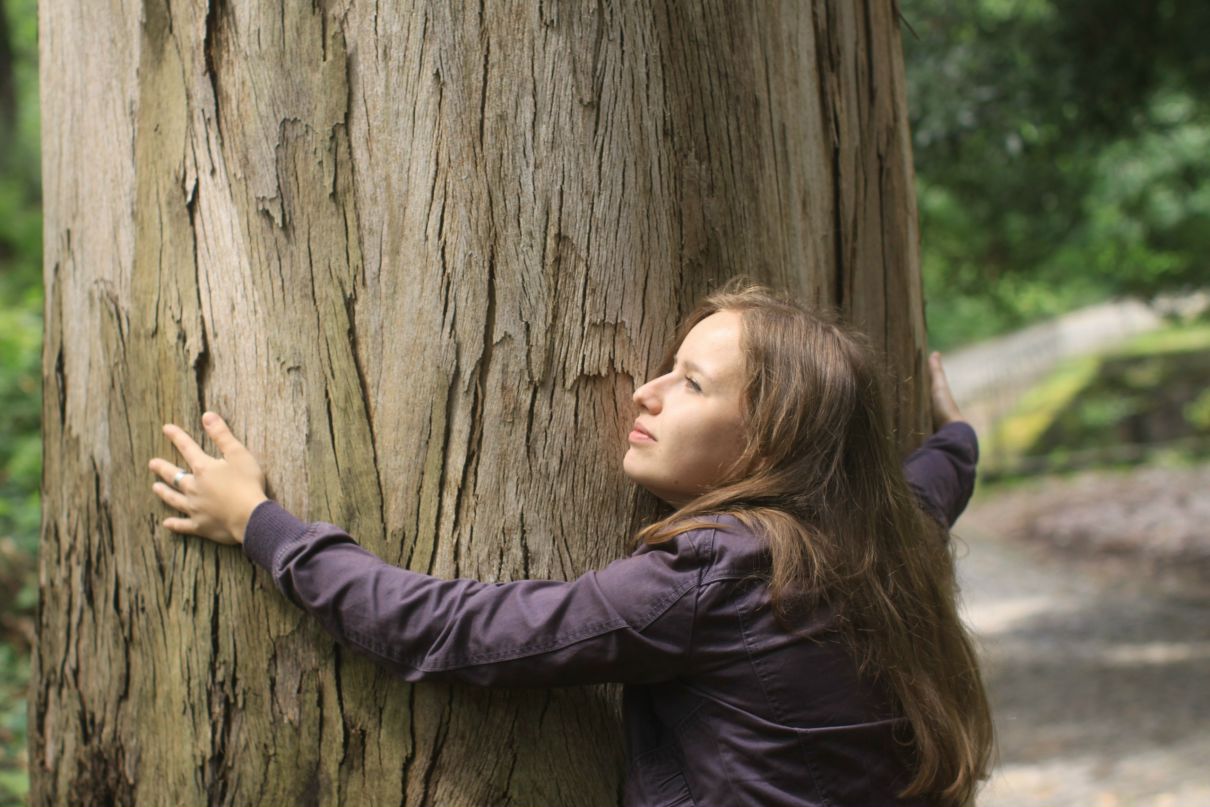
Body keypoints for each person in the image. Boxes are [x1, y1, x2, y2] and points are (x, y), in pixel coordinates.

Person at [148, 282, 992, 807]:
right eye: (669, 365)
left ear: (771, 443)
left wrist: (260, 523)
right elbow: (932, 485)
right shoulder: (881, 541)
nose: (647, 390)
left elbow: (453, 630)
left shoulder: (719, 575)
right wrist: (959, 434)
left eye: (692, 383)